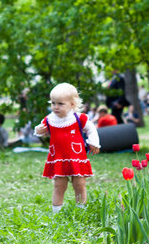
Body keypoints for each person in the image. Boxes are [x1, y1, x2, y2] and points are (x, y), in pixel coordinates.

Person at [35, 83, 100, 213]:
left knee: (79, 184)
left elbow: (91, 129)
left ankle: (81, 210)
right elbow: (40, 130)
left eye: (60, 104)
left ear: (72, 104)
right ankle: (57, 212)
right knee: (59, 185)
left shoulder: (78, 118)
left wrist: (93, 142)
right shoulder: (49, 119)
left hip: (76, 156)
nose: (55, 107)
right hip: (58, 157)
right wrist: (38, 130)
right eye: (53, 103)